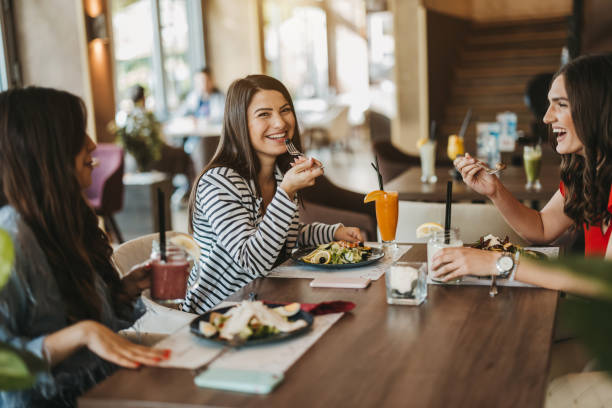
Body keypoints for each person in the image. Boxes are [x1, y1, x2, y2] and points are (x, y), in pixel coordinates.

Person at [0, 87, 169, 407]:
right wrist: (82, 333)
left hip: (103, 393)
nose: (92, 144)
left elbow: (89, 328)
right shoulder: (8, 238)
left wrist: (122, 292)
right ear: (44, 149)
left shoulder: (63, 219)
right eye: (77, 134)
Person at [183, 75, 362, 313]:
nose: (280, 123)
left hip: (268, 299)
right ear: (239, 123)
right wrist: (286, 192)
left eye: (285, 110)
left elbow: (280, 236)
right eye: (264, 114)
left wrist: (333, 232)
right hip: (220, 311)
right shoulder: (219, 182)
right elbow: (253, 260)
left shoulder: (279, 173)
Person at [432, 53, 612, 291]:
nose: (547, 117)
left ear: (595, 108)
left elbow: (603, 283)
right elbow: (543, 228)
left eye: (561, 104)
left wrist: (499, 262)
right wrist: (495, 190)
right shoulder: (586, 173)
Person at [129, 85, 196, 196]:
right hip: (157, 158)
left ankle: (176, 190)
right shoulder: (146, 116)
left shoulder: (130, 118)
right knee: (184, 154)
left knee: (177, 152)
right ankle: (191, 193)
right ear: (144, 98)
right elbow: (159, 140)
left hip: (143, 162)